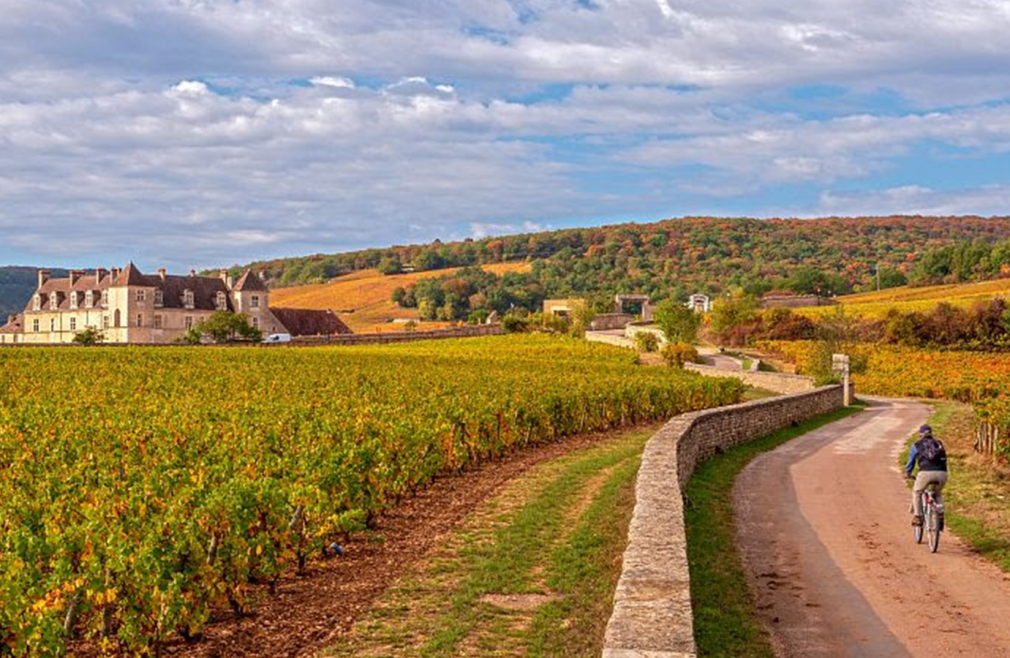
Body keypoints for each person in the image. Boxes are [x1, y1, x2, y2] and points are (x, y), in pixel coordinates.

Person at [904, 424, 948, 526]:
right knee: (937, 493)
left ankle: (918, 517)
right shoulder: (939, 443)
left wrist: (908, 473)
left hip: (925, 473)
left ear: (920, 434)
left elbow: (911, 462)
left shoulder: (916, 445)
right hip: (942, 473)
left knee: (917, 492)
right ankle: (940, 514)